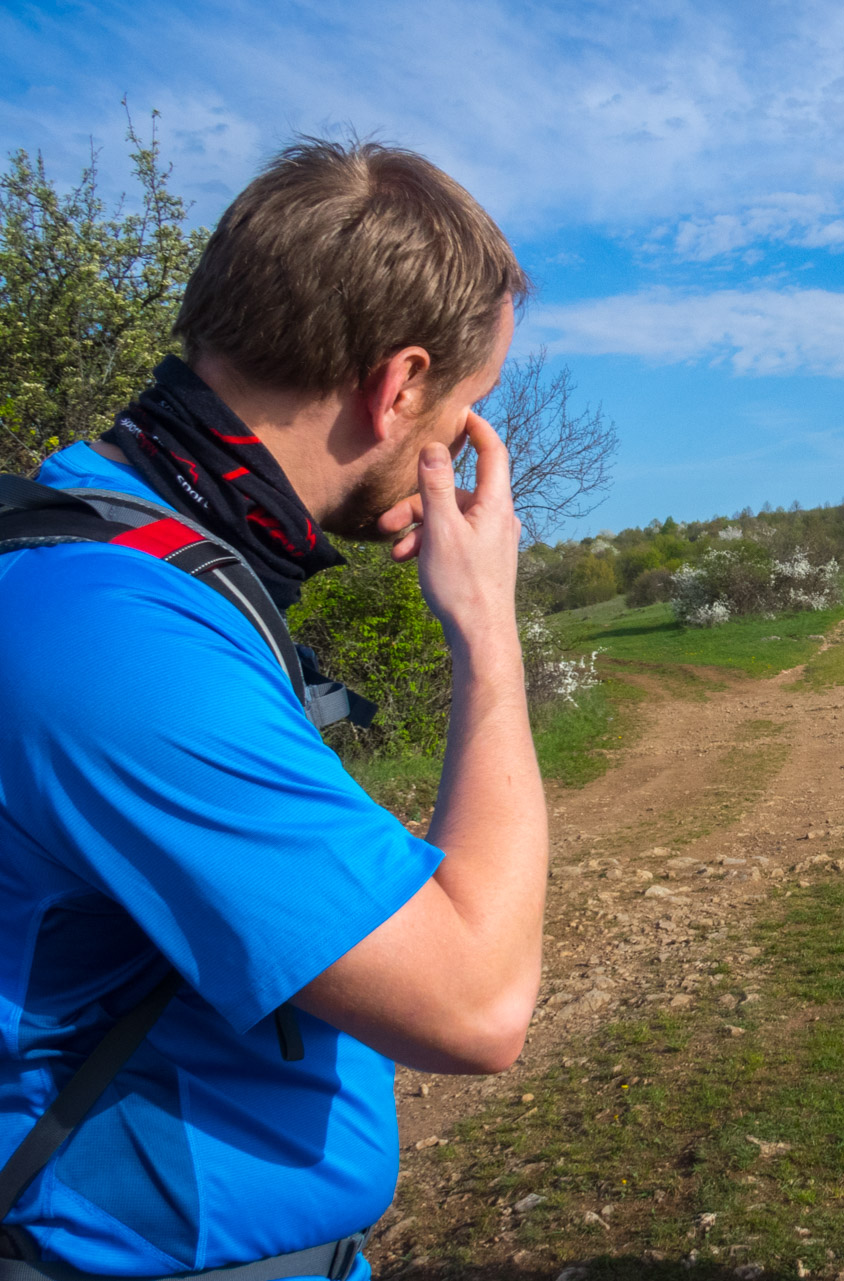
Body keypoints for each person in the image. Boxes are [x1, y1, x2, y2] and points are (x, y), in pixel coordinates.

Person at [0, 141, 546, 1279]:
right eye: (468, 403)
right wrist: (487, 634)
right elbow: (478, 1004)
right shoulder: (118, 641)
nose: (464, 442)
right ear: (397, 387)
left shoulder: (123, 544)